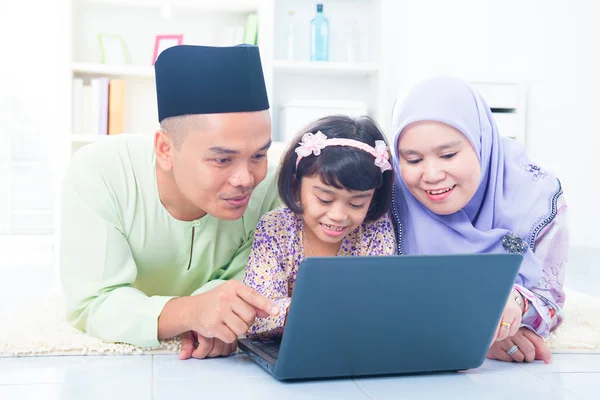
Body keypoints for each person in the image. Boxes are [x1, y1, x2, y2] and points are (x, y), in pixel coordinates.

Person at [59, 44, 283, 360]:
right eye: (222, 159)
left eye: (259, 154)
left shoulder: (271, 187)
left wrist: (218, 317)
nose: (246, 178)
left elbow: (252, 283)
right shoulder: (99, 173)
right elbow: (91, 303)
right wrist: (190, 312)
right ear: (165, 150)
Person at [389, 76, 567, 364]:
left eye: (448, 155)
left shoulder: (536, 197)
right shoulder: (389, 197)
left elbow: (551, 301)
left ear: (481, 140)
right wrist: (473, 335)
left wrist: (515, 303)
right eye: (413, 160)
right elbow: (381, 300)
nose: (432, 175)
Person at [242, 115, 397, 338]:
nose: (338, 215)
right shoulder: (275, 228)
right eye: (324, 199)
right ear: (296, 185)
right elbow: (258, 315)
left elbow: (381, 304)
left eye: (357, 203)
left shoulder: (375, 230)